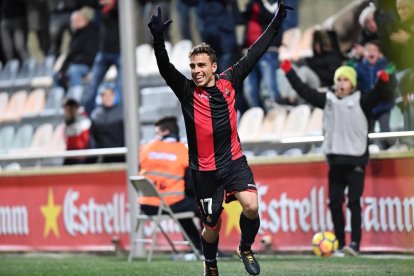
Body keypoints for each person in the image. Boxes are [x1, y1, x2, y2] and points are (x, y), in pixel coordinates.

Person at [147, 2, 290, 275]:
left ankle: (245, 247)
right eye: (192, 65)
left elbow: (256, 52)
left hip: (234, 162)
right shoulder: (187, 91)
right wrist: (157, 40)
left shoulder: (230, 80)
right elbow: (165, 67)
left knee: (251, 205)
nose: (196, 70)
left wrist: (277, 19)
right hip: (205, 172)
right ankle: (210, 264)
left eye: (201, 65)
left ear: (214, 66)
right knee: (211, 227)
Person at [280, 61, 394, 256]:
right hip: (335, 159)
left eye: (346, 80)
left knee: (354, 203)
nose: (341, 83)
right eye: (339, 79)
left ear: (353, 84)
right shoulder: (328, 99)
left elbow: (379, 94)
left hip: (356, 159)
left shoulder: (362, 99)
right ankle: (340, 243)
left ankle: (355, 243)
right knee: (334, 203)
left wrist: (384, 81)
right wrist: (289, 72)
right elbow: (305, 91)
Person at [138, 115, 202, 255]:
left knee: (184, 210)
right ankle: (210, 249)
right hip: (169, 203)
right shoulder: (182, 150)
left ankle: (197, 247)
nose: (156, 137)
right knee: (205, 207)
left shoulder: (146, 148)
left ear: (165, 133)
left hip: (146, 204)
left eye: (157, 133)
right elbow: (191, 185)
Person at [355, 40, 395, 149]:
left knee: (385, 131)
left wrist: (385, 81)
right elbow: (357, 86)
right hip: (368, 107)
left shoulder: (387, 67)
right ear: (364, 53)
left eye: (374, 50)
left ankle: (387, 149)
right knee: (368, 132)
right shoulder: (358, 68)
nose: (371, 53)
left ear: (379, 54)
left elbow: (392, 88)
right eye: (368, 50)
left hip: (383, 106)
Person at [53, 7, 99, 90]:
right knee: (55, 74)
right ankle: (64, 98)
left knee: (74, 71)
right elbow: (71, 54)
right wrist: (62, 69)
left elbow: (89, 55)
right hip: (74, 64)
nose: (73, 23)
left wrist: (70, 65)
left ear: (83, 20)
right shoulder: (76, 35)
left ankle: (77, 98)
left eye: (75, 20)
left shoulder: (92, 33)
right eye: (72, 21)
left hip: (88, 65)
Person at [89, 84, 125, 163]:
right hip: (104, 157)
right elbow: (93, 138)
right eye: (105, 95)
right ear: (101, 97)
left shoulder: (123, 112)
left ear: (114, 96)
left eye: (110, 94)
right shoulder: (96, 115)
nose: (108, 97)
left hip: (122, 156)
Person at [62, 97, 91, 165]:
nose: (69, 110)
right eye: (67, 108)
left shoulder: (84, 122)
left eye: (71, 108)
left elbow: (84, 143)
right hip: (70, 156)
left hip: (81, 157)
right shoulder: (66, 123)